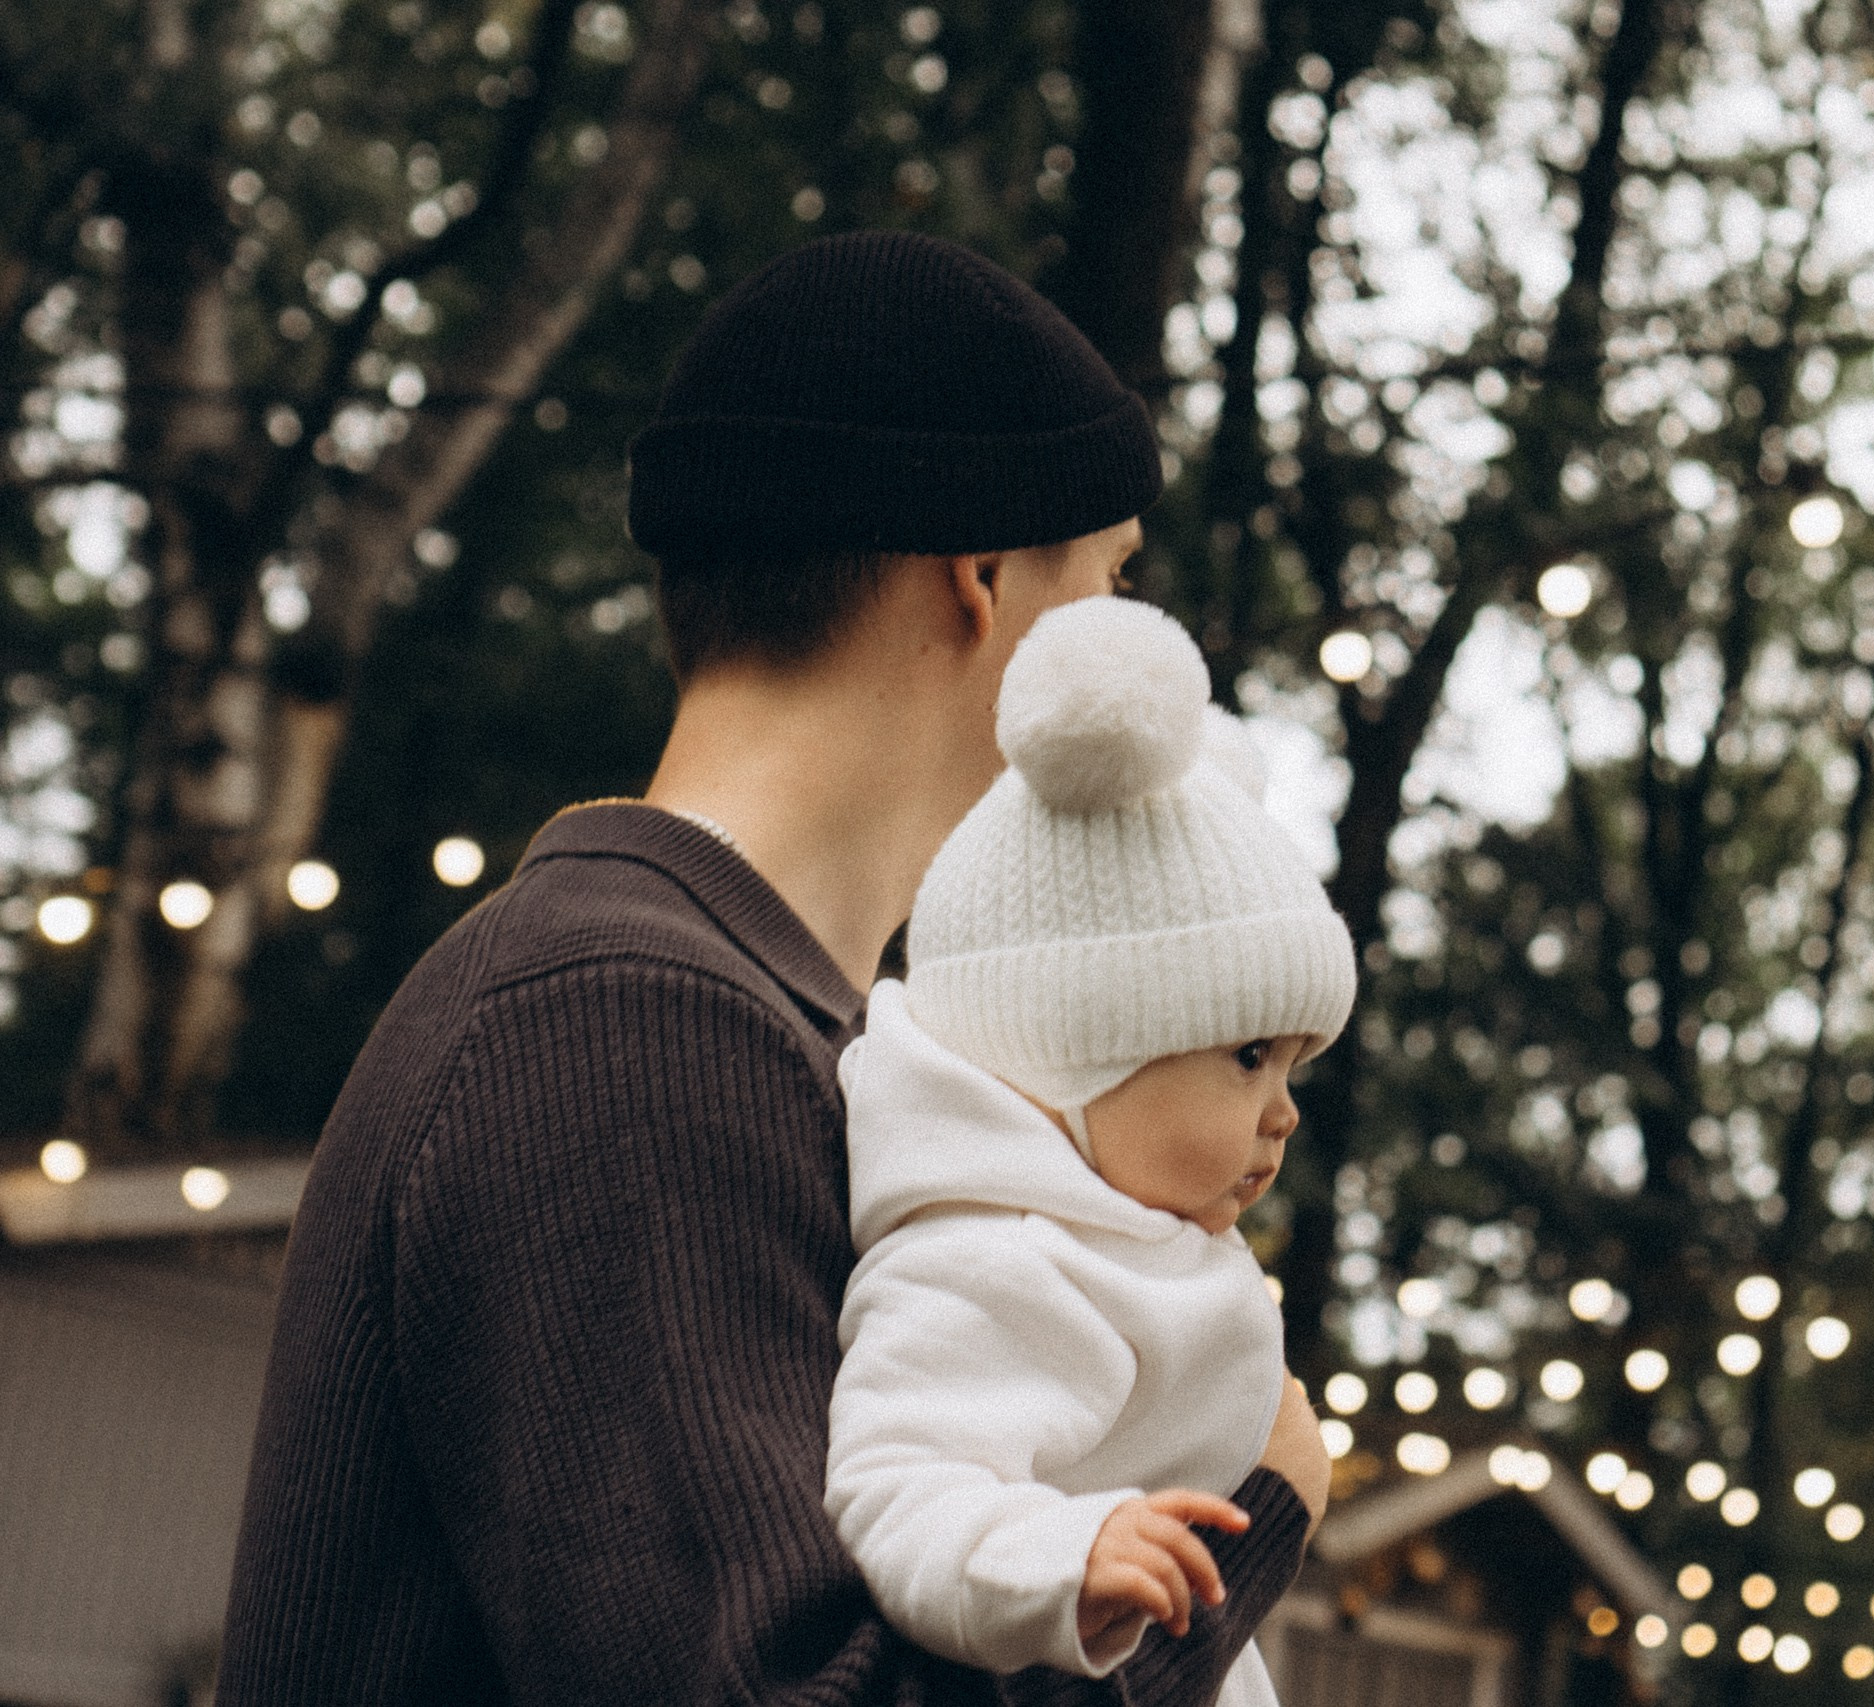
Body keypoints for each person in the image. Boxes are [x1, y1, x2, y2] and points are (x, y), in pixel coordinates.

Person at [216, 232, 1329, 1707]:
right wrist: (1247, 1517)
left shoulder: (769, 1025)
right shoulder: (618, 1019)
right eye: (1116, 577)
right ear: (982, 578)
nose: (1142, 643)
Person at [824, 596, 1356, 1707]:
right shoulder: (994, 1256)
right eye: (1249, 1054)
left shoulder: (1114, 1235)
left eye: (1294, 1068)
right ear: (1073, 1047)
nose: (1284, 1112)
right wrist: (1062, 1557)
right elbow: (897, 1484)